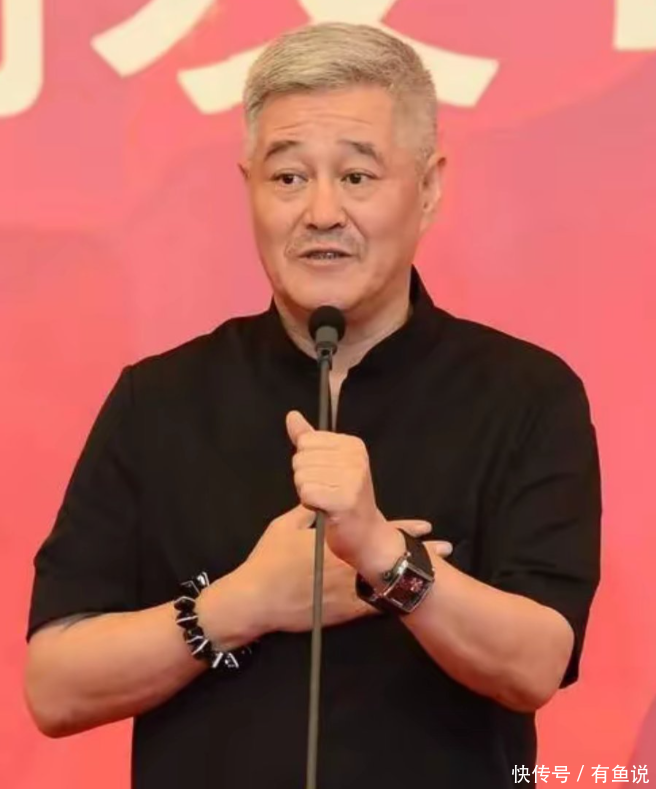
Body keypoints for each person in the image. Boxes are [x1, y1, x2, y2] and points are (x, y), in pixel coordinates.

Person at [24, 22, 601, 789]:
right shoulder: (157, 399)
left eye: (357, 176)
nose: (322, 212)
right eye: (289, 177)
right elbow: (54, 683)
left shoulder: (526, 393)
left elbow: (536, 663)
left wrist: (385, 556)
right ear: (249, 187)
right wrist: (240, 604)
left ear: (428, 187)